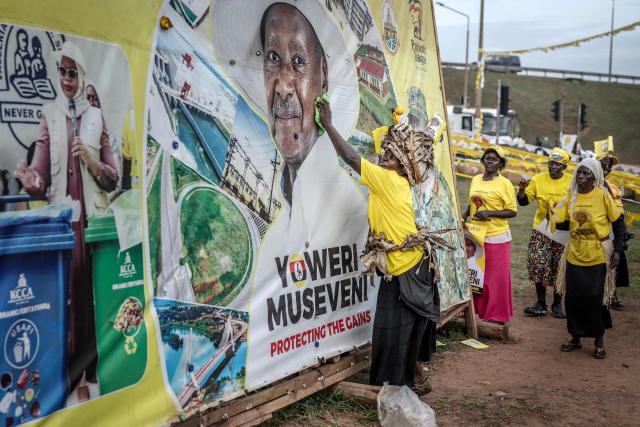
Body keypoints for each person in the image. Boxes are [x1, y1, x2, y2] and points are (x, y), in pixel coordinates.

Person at [15, 41, 118, 395]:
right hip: (64, 227)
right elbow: (40, 176)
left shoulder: (96, 117)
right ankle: (72, 377)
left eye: (73, 73)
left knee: (95, 294)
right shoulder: (50, 114)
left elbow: (113, 177)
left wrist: (90, 161)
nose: (67, 79)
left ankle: (96, 370)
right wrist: (31, 180)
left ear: (83, 75)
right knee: (68, 297)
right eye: (62, 71)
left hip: (94, 225)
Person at [319, 99, 440, 390]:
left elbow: (349, 158)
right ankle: (415, 377)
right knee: (408, 329)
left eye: (391, 154)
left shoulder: (388, 179)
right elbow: (384, 140)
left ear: (402, 164)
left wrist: (328, 124)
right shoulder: (399, 180)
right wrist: (395, 123)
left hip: (404, 269)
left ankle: (399, 383)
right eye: (384, 152)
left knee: (395, 331)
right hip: (415, 265)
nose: (384, 156)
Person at [554, 159, 624, 359]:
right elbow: (564, 223)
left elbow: (618, 223)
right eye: (579, 173)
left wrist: (617, 250)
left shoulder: (602, 194)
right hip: (574, 253)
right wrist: (551, 216)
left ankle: (598, 339)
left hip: (597, 254)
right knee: (574, 298)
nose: (582, 177)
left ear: (595, 176)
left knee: (595, 298)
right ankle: (575, 337)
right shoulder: (572, 196)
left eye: (586, 174)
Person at [463, 147, 517, 324]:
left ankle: (496, 315)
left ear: (501, 164)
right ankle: (477, 312)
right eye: (487, 158)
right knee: (477, 276)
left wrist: (490, 213)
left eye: (494, 159)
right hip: (475, 235)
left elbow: (512, 211)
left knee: (495, 279)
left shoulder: (505, 183)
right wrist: (462, 216)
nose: (489, 161)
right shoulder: (476, 179)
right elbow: (471, 203)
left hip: (496, 236)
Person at [518, 148, 572, 318]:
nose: (553, 166)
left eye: (557, 164)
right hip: (542, 229)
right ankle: (540, 303)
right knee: (538, 264)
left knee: (559, 266)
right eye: (551, 163)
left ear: (564, 166)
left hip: (563, 229)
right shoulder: (538, 180)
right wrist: (521, 190)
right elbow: (524, 202)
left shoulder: (572, 182)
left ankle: (557, 304)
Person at [597, 142, 630, 310]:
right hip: (595, 230)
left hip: (612, 229)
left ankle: (612, 293)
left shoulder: (613, 187)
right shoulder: (587, 183)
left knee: (615, 261)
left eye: (610, 164)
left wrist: (622, 232)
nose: (608, 166)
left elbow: (619, 212)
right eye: (605, 161)